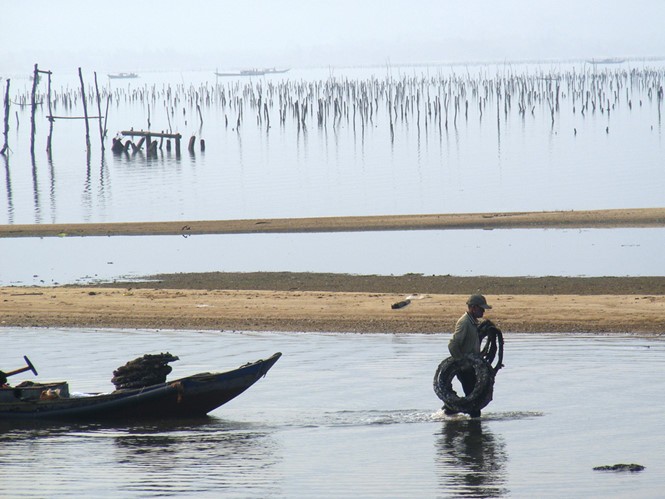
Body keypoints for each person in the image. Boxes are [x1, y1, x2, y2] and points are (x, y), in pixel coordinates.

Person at [445, 294, 492, 418]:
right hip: (465, 369)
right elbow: (453, 345)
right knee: (474, 406)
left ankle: (447, 412)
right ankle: (473, 430)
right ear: (474, 308)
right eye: (481, 308)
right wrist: (463, 364)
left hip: (471, 367)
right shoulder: (464, 322)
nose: (483, 311)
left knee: (472, 398)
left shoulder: (473, 322)